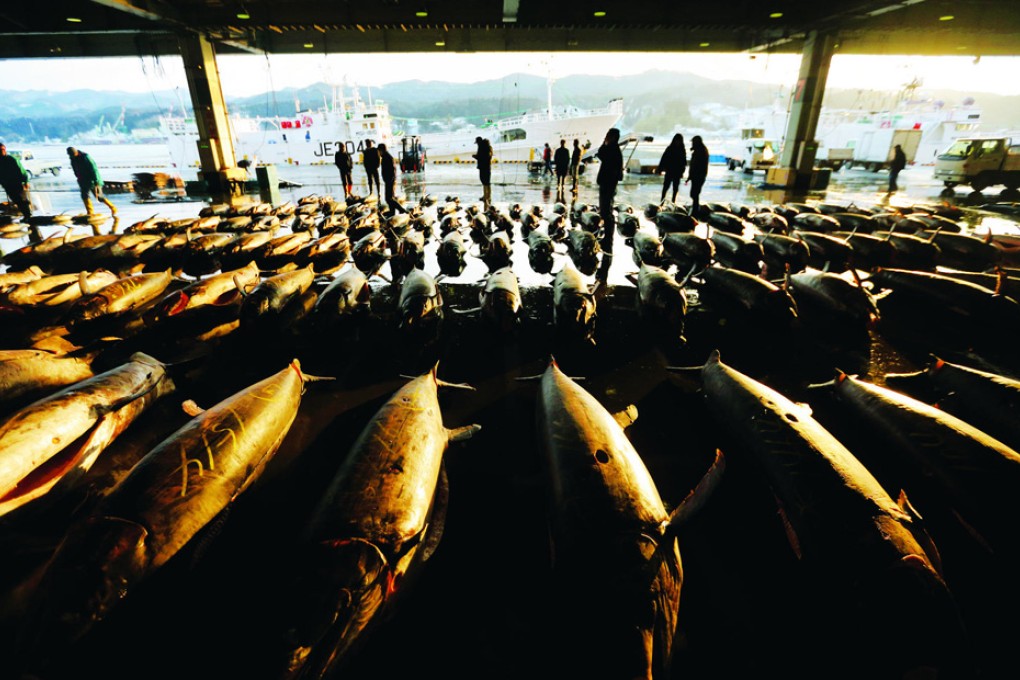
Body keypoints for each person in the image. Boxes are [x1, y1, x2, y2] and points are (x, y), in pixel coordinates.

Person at [594, 127, 623, 282]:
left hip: (607, 183)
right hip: (608, 182)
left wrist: (604, 143)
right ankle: (607, 232)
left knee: (606, 210)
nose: (606, 137)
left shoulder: (612, 149)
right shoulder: (615, 149)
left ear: (612, 137)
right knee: (605, 209)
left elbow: (600, 153)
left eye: (608, 135)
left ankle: (608, 235)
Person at [67, 146, 116, 216]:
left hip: (93, 179)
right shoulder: (72, 159)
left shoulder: (85, 157)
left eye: (73, 154)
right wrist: (78, 177)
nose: (72, 156)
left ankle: (113, 207)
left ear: (76, 152)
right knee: (84, 195)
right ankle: (90, 212)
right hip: (83, 180)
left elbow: (94, 168)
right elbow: (75, 169)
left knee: (99, 197)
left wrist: (96, 180)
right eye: (71, 155)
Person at [0, 143, 32, 219]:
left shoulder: (12, 159)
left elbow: (22, 171)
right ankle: (26, 215)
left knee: (22, 200)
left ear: (5, 150)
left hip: (17, 183)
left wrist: (26, 181)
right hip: (7, 185)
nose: (1, 152)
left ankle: (28, 216)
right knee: (16, 200)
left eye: (2, 150)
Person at [658, 133, 687, 205]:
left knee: (675, 188)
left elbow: (683, 162)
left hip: (677, 172)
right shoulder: (670, 148)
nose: (677, 142)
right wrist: (660, 168)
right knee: (665, 187)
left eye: (679, 140)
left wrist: (682, 171)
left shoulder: (682, 150)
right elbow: (664, 159)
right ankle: (662, 201)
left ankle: (673, 202)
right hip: (670, 171)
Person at [378, 143, 405, 213]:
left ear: (382, 150)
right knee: (390, 198)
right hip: (389, 180)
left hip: (390, 180)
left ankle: (402, 210)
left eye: (379, 151)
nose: (379, 153)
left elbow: (393, 170)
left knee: (388, 198)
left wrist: (390, 180)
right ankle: (392, 212)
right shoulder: (385, 157)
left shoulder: (388, 157)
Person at [686, 135, 709, 218]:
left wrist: (691, 176)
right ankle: (695, 209)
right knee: (694, 194)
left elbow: (696, 165)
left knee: (694, 194)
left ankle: (695, 211)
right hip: (697, 176)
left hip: (698, 176)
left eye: (693, 142)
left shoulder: (700, 151)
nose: (692, 143)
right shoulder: (700, 150)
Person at [473, 136, 493, 208]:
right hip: (488, 167)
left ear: (478, 142)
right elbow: (488, 157)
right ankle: (488, 196)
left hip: (482, 167)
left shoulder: (481, 147)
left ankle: (485, 196)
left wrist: (475, 156)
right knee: (487, 182)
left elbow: (481, 157)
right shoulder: (489, 147)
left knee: (484, 181)